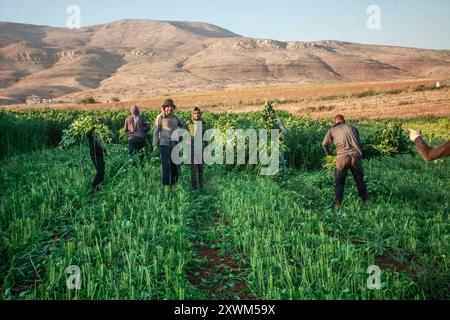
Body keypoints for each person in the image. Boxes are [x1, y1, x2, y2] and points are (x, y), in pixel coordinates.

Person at [322, 114, 368, 210]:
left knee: (339, 181)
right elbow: (359, 143)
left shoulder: (332, 130)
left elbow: (324, 144)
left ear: (335, 122)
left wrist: (329, 154)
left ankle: (337, 204)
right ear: (344, 120)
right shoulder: (353, 128)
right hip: (355, 156)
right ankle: (365, 200)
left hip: (342, 158)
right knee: (359, 180)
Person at [153, 99, 185, 188]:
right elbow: (156, 131)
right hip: (164, 145)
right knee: (166, 166)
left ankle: (175, 185)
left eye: (171, 107)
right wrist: (155, 144)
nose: (169, 109)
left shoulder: (175, 117)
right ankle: (166, 186)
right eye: (168, 107)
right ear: (164, 108)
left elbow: (182, 125)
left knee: (175, 165)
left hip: (175, 144)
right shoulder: (160, 117)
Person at [186, 107, 207, 190]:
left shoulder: (203, 123)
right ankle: (194, 188)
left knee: (201, 169)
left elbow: (206, 136)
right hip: (191, 149)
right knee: (194, 170)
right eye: (195, 113)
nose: (196, 115)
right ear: (192, 114)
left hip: (200, 149)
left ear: (200, 114)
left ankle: (201, 187)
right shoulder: (189, 123)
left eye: (198, 113)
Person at [86, 128, 107, 192]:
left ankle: (99, 186)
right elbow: (87, 134)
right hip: (95, 156)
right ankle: (93, 185)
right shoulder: (91, 137)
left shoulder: (98, 138)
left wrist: (104, 150)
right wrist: (93, 128)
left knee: (102, 171)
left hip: (100, 155)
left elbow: (100, 145)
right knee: (100, 171)